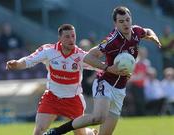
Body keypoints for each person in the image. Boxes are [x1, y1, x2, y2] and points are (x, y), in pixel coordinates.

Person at [44, 6, 161, 135]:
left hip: (120, 89)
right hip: (105, 82)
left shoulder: (136, 32)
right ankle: (56, 131)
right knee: (98, 117)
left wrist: (153, 37)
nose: (126, 23)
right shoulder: (112, 40)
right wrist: (109, 68)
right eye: (121, 21)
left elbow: (148, 30)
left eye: (127, 20)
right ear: (115, 24)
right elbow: (88, 57)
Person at [6, 24, 97, 135]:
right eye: (67, 36)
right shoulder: (48, 51)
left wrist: (114, 69)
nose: (71, 39)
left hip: (73, 100)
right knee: (39, 131)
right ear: (60, 39)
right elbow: (30, 60)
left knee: (80, 134)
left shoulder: (80, 55)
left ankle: (90, 133)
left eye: (73, 36)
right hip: (52, 98)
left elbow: (97, 66)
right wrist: (17, 64)